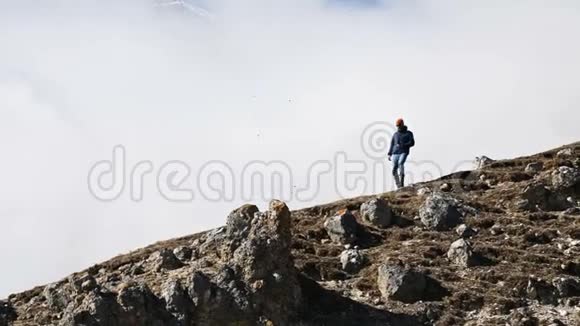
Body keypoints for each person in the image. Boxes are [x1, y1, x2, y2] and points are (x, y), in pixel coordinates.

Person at [387, 118, 415, 188]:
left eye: (399, 125)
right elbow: (392, 144)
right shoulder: (395, 134)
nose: (398, 127)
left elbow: (412, 143)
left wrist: (404, 144)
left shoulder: (409, 133)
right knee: (394, 169)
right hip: (395, 153)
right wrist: (389, 153)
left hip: (404, 152)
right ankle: (398, 185)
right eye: (397, 125)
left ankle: (402, 183)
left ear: (402, 124)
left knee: (400, 163)